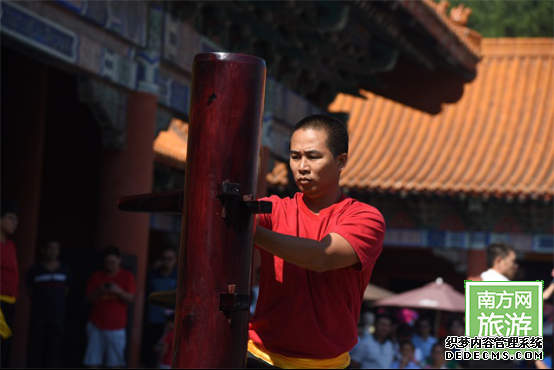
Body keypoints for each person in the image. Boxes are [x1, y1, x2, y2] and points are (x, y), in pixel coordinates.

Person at [247, 114, 386, 369]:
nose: (301, 166)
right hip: (261, 358)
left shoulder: (366, 218)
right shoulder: (273, 209)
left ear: (341, 160)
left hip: (328, 364)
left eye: (313, 156)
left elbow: (322, 257)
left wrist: (251, 232)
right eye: (294, 156)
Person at [83, 246, 136, 368]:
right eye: (107, 263)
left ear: (119, 260)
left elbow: (130, 299)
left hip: (117, 326)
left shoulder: (127, 276)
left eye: (113, 263)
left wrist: (118, 291)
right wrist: (98, 290)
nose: (110, 266)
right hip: (96, 323)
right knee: (92, 360)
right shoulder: (96, 276)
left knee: (115, 363)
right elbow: (87, 299)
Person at [26, 238, 73, 368]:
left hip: (57, 315)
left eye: (56, 248)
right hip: (39, 315)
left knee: (55, 347)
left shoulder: (65, 269)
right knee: (36, 346)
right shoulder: (35, 270)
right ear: (43, 250)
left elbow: (66, 290)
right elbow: (30, 291)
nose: (53, 252)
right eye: (50, 248)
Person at [142, 247, 178, 367]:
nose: (167, 261)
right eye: (165, 258)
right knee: (150, 351)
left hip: (171, 322)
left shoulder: (180, 275)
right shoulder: (152, 275)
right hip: (153, 319)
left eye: (170, 258)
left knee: (169, 352)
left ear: (175, 260)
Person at [0, 200, 20, 368]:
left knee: (6, 346)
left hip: (10, 302)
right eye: (11, 218)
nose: (15, 223)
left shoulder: (11, 244)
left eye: (16, 219)